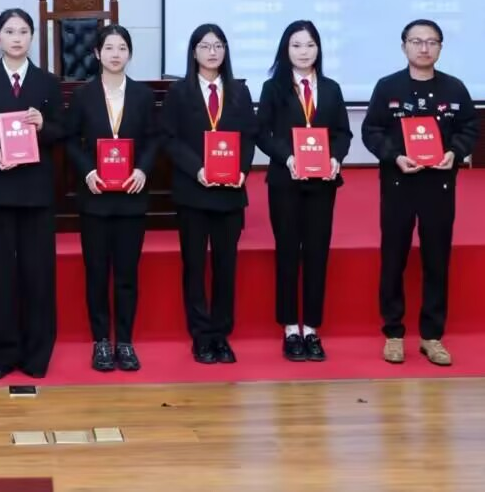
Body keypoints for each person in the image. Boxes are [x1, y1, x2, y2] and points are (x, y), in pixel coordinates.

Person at [362, 19, 479, 367]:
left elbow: (470, 127)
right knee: (393, 259)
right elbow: (371, 130)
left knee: (436, 260)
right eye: (416, 41)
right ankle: (394, 334)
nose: (424, 48)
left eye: (432, 42)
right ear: (404, 47)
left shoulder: (454, 88)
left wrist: (455, 152)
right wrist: (394, 156)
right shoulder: (388, 87)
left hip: (438, 186)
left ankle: (432, 336)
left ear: (440, 47)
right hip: (399, 184)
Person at [0, 8, 64, 380]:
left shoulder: (48, 82)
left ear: (32, 37)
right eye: (9, 31)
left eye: (23, 31)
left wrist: (44, 125)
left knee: (38, 274)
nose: (17, 38)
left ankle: (36, 354)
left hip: (36, 191)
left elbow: (63, 131)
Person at [256, 20, 352, 362]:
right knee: (287, 251)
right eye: (296, 45)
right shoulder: (273, 88)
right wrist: (288, 158)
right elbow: (262, 133)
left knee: (316, 252)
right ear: (286, 50)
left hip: (322, 184)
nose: (304, 51)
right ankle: (289, 328)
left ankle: (311, 327)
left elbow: (343, 133)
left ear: (319, 49)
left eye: (310, 45)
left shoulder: (331, 88)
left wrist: (336, 158)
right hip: (286, 182)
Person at [64, 24, 159, 373]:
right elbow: (70, 139)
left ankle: (126, 341)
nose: (115, 54)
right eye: (109, 48)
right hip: (96, 198)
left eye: (121, 48)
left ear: (129, 53)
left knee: (126, 274)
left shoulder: (143, 95)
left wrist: (143, 170)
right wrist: (87, 171)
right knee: (97, 272)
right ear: (97, 54)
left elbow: (154, 138)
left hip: (132, 197)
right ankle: (101, 341)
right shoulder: (83, 95)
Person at [161, 23, 256, 365]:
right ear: (193, 52)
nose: (212, 52)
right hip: (193, 192)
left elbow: (249, 137)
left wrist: (242, 170)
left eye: (218, 45)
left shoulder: (239, 91)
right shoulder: (179, 92)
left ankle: (221, 334)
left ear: (225, 51)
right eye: (205, 46)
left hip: (230, 193)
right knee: (195, 265)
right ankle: (201, 335)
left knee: (225, 266)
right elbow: (169, 138)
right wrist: (197, 169)